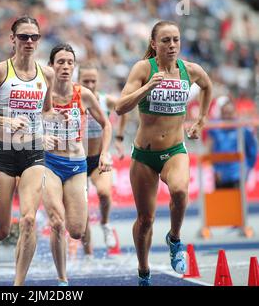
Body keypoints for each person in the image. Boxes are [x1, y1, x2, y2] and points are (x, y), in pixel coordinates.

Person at [115, 20, 213, 286]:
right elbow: (120, 107)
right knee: (145, 220)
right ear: (154, 44)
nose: (172, 45)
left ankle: (175, 238)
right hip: (144, 156)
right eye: (166, 40)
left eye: (176, 40)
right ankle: (144, 271)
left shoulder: (189, 70)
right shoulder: (143, 68)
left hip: (174, 151)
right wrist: (147, 87)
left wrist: (201, 120)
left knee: (180, 191)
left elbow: (207, 86)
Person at [0, 16, 55, 286]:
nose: (29, 42)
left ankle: (18, 284)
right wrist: (4, 120)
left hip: (33, 153)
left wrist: (47, 132)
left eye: (34, 37)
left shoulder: (46, 74)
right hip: (2, 154)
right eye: (24, 37)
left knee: (29, 219)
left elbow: (48, 111)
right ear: (12, 40)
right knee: (1, 231)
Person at [43, 43, 112, 285]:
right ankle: (63, 278)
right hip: (48, 162)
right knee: (57, 221)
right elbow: (22, 124)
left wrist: (105, 153)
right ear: (51, 66)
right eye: (60, 62)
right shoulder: (42, 93)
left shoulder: (83, 94)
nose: (65, 66)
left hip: (76, 165)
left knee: (76, 231)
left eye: (70, 62)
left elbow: (107, 125)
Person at [77, 62, 127, 257]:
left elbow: (124, 111)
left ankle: (105, 223)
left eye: (93, 80)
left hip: (99, 159)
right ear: (78, 81)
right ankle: (88, 254)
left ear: (98, 81)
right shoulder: (74, 100)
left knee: (105, 193)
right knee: (83, 213)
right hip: (78, 161)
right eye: (85, 80)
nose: (89, 84)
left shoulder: (105, 101)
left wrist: (120, 138)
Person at [207, 98, 257, 189]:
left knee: (237, 202)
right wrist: (215, 170)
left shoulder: (243, 129)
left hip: (237, 175)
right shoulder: (215, 129)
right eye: (224, 113)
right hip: (220, 176)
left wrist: (247, 169)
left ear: (235, 113)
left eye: (229, 113)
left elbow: (252, 151)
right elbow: (211, 151)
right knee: (221, 202)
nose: (227, 116)